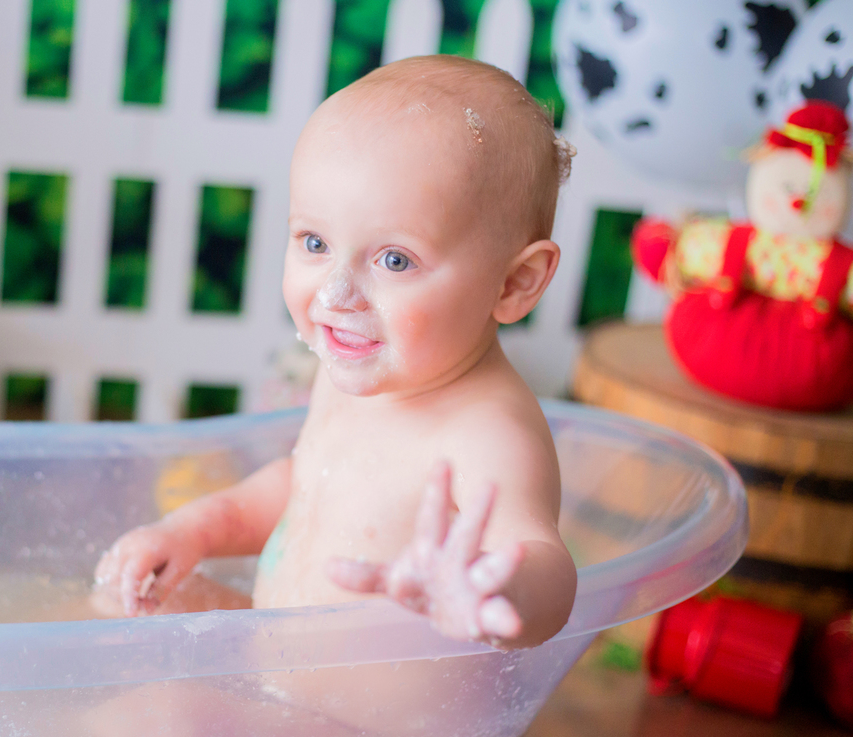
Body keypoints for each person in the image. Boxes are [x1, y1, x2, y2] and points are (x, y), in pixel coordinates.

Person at [93, 54, 578, 652]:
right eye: (315, 243)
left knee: (144, 711)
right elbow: (307, 487)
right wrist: (191, 531)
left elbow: (546, 565)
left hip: (378, 734)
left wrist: (485, 592)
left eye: (395, 260)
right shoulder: (362, 370)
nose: (334, 293)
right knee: (118, 609)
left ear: (514, 284)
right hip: (278, 673)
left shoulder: (486, 431)